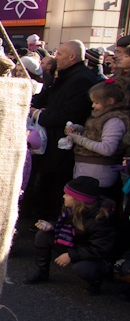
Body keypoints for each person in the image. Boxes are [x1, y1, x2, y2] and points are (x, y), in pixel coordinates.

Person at [28, 40, 99, 219]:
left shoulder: (81, 79)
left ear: (72, 56)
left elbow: (69, 113)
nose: (55, 57)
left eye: (59, 54)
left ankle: (53, 222)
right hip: (52, 143)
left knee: (56, 187)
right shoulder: (66, 76)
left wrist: (39, 115)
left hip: (62, 145)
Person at [23, 176, 115, 294]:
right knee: (43, 235)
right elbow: (69, 228)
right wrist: (52, 226)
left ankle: (96, 282)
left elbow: (101, 249)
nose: (63, 196)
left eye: (67, 194)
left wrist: (71, 255)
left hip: (95, 257)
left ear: (78, 199)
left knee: (82, 268)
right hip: (77, 246)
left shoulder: (98, 220)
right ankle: (42, 272)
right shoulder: (71, 210)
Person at [65, 79, 130, 203]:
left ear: (110, 101)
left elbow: (107, 148)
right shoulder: (102, 116)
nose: (93, 106)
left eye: (96, 102)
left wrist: (79, 139)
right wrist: (79, 130)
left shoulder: (114, 120)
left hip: (98, 174)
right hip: (88, 170)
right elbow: (96, 135)